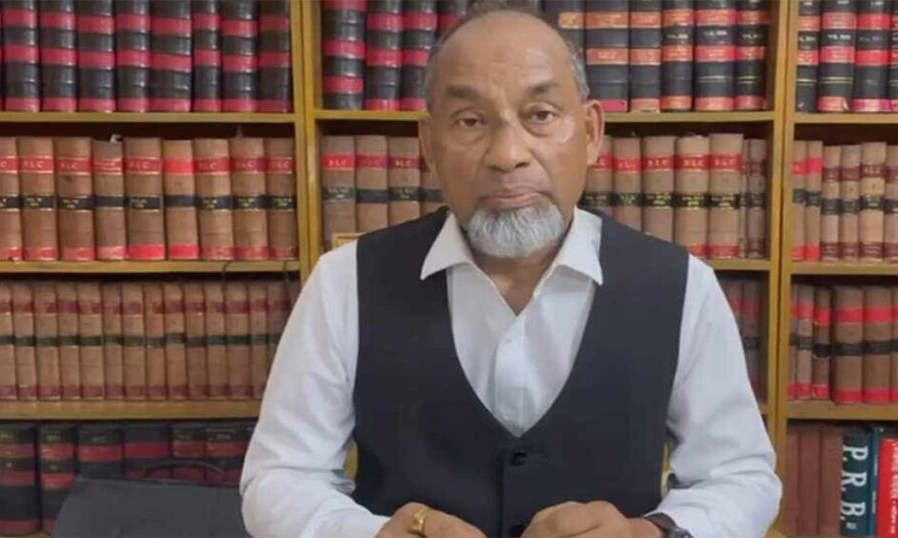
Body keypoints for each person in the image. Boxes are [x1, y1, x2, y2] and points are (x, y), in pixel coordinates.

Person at [240, 2, 780, 537]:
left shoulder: (681, 286)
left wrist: (651, 533)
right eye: (471, 121)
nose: (507, 154)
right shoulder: (344, 282)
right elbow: (282, 476)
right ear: (428, 145)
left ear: (591, 131)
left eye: (540, 115)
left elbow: (738, 476)